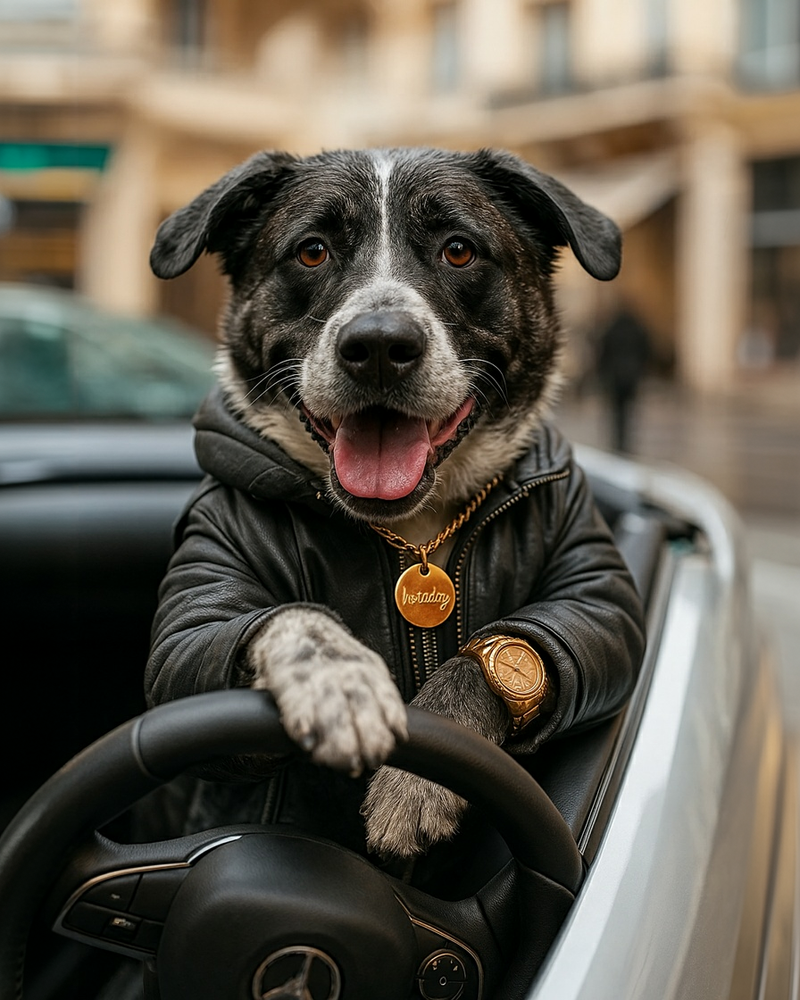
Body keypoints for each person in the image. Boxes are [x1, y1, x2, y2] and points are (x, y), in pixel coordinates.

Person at [595, 304, 652, 453]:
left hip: (615, 376)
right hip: (631, 375)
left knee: (616, 410)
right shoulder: (637, 329)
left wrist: (601, 372)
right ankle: (625, 440)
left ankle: (618, 439)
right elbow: (646, 350)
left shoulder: (612, 329)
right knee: (628, 409)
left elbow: (603, 352)